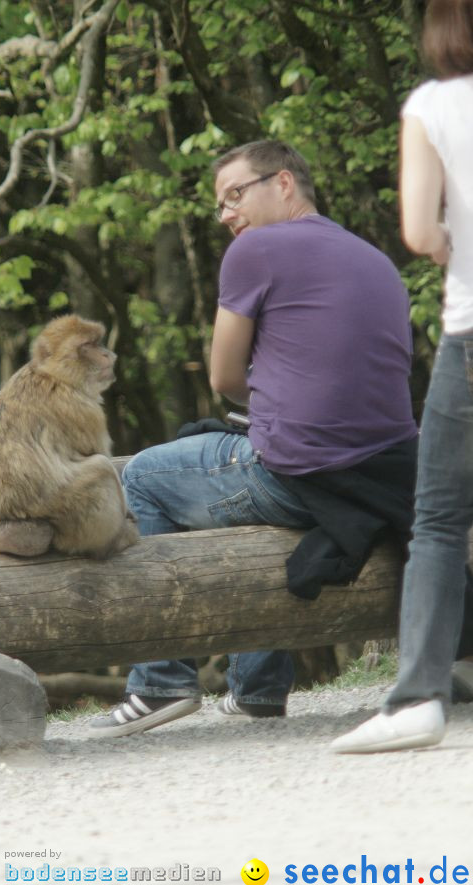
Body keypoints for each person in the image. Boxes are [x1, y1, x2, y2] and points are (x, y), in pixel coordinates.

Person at [89, 139, 418, 739]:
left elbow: (223, 378)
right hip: (385, 476)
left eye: (235, 195)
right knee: (240, 478)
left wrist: (270, 407)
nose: (226, 215)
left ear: (284, 183)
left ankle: (162, 679)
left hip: (299, 472)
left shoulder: (257, 250)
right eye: (220, 205)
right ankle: (258, 691)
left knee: (144, 475)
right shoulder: (375, 258)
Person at [332, 0, 473, 754]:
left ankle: (419, 696)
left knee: (441, 521)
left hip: (472, 331)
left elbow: (419, 232)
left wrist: (455, 242)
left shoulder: (434, 106)